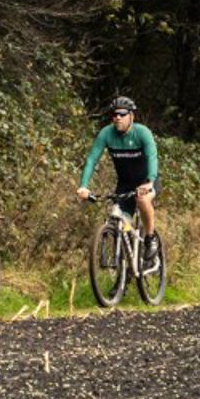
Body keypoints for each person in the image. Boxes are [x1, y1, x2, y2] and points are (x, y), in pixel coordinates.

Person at [76, 96, 160, 270]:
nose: (118, 118)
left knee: (143, 200)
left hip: (147, 181)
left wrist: (150, 181)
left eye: (122, 114)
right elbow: (92, 159)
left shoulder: (142, 132)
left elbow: (152, 156)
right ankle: (125, 272)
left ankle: (150, 239)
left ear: (131, 116)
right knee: (119, 223)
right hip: (125, 184)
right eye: (114, 114)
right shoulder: (106, 134)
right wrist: (83, 186)